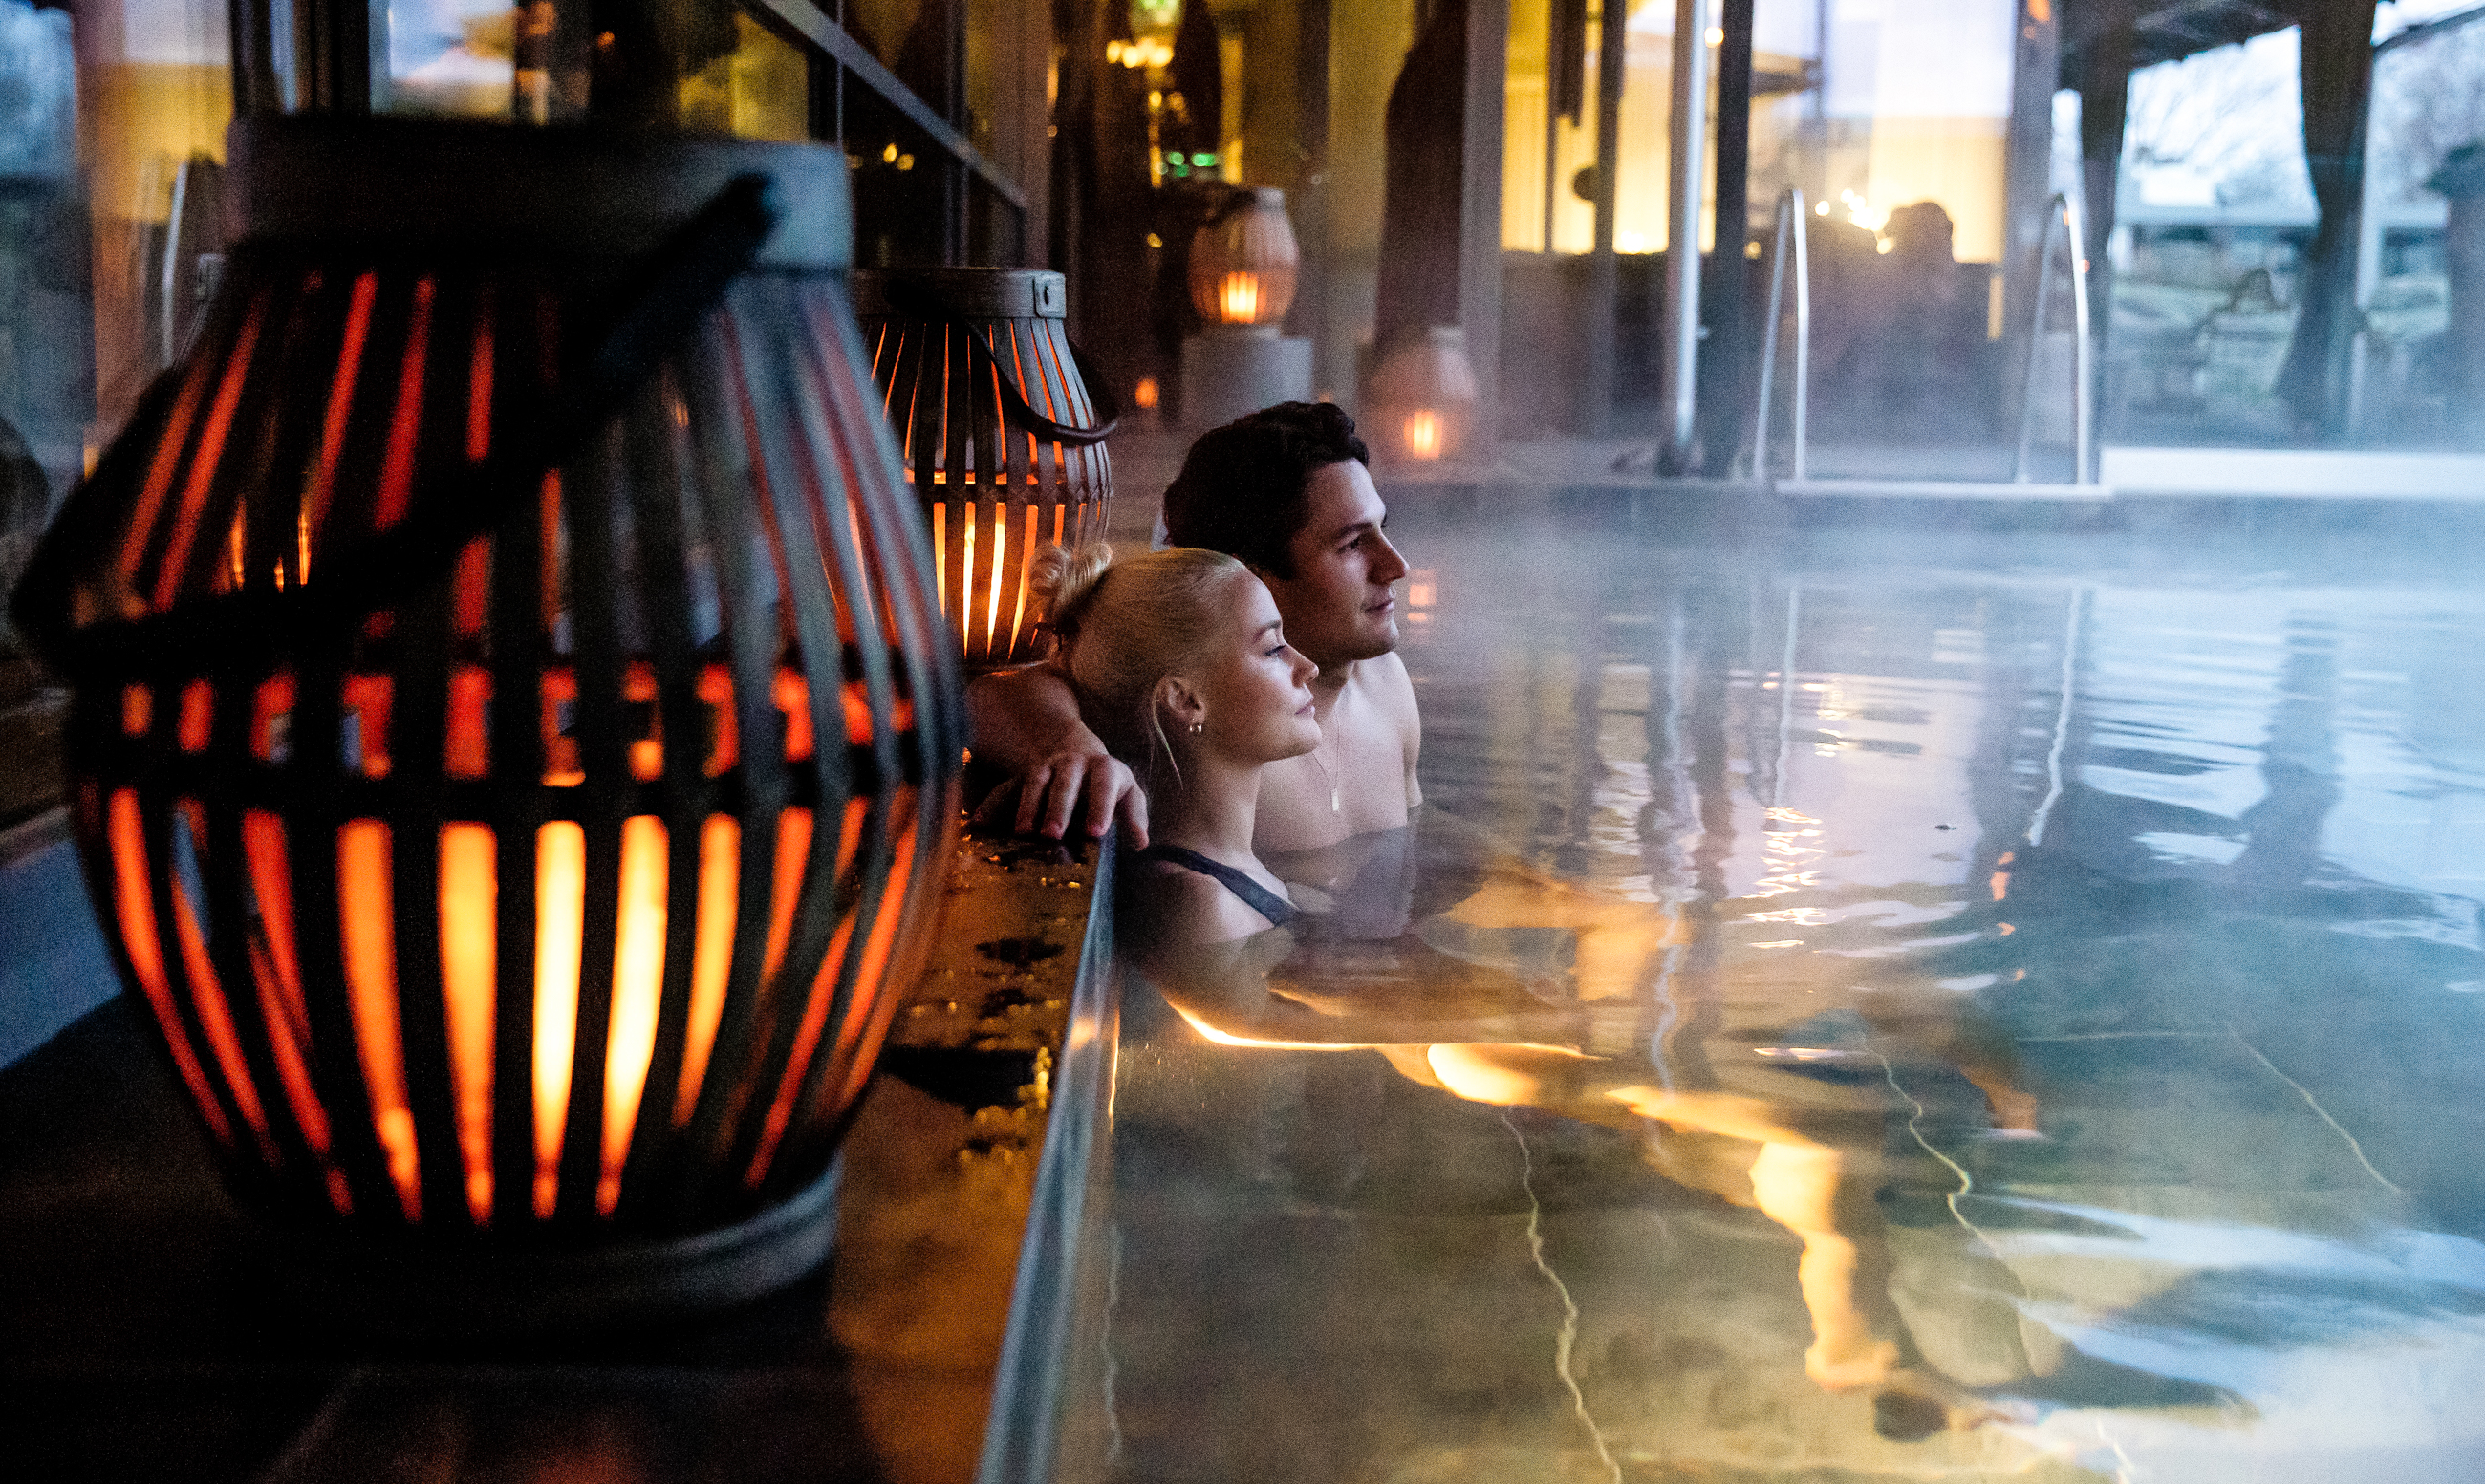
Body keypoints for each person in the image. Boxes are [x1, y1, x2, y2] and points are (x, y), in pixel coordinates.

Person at [969, 401, 1415, 855]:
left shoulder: (1387, 684)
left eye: (1383, 528)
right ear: (1249, 575)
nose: (1396, 566)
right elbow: (991, 697)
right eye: (1353, 543)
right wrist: (1068, 743)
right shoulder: (1199, 731)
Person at [1031, 542, 1323, 943]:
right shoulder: (1201, 904)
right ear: (1185, 700)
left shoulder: (1228, 874)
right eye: (1273, 649)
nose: (1308, 667)